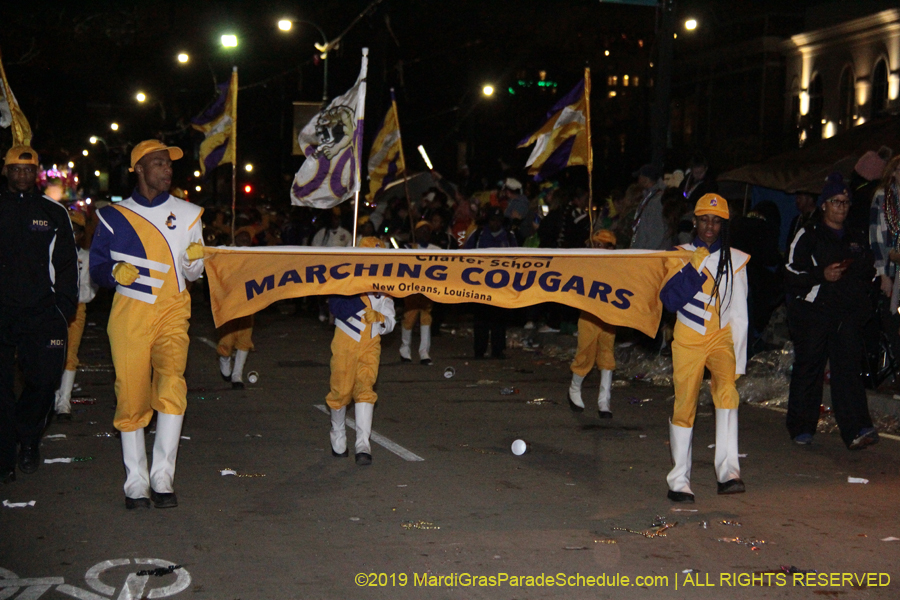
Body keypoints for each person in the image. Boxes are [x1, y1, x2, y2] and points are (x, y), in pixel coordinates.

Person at [90, 139, 205, 509]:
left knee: (173, 385)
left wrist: (193, 263)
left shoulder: (189, 214)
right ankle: (136, 480)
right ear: (138, 169)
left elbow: (195, 271)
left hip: (174, 309)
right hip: (130, 313)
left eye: (169, 164)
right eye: (158, 164)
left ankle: (162, 476)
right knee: (131, 394)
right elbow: (96, 267)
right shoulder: (113, 216)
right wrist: (113, 272)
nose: (167, 169)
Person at [660, 193, 749, 503]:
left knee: (728, 394)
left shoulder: (736, 259)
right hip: (688, 335)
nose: (710, 226)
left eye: (716, 221)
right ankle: (679, 479)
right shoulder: (680, 254)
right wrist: (692, 270)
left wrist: (740, 356)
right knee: (685, 402)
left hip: (721, 336)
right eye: (705, 219)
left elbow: (740, 311)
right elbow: (669, 301)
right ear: (695, 221)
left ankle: (728, 472)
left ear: (723, 224)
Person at [1, 145, 78, 484]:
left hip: (42, 313)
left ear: (36, 174)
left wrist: (63, 307)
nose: (22, 175)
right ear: (5, 171)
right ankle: (5, 459)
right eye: (15, 169)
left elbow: (66, 264)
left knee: (45, 382)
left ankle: (28, 438)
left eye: (28, 170)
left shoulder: (53, 213)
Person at [786, 173, 878, 450]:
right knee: (809, 367)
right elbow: (791, 271)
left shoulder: (855, 236)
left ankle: (857, 428)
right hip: (815, 310)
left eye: (846, 202)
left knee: (848, 368)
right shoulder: (810, 233)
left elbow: (868, 270)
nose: (842, 207)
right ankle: (801, 426)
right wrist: (821, 274)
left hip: (846, 313)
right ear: (824, 204)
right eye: (836, 202)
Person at [327, 236, 396, 465]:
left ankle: (363, 444)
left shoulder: (385, 286)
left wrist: (381, 318)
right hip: (345, 339)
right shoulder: (344, 278)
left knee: (366, 388)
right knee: (341, 391)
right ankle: (337, 431)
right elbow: (336, 308)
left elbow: (392, 320)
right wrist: (360, 299)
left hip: (371, 342)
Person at [567, 230, 618, 418]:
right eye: (594, 244)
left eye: (600, 244)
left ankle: (604, 401)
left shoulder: (618, 266)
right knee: (585, 352)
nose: (596, 248)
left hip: (608, 315)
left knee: (607, 354)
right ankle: (574, 388)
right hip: (589, 315)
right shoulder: (586, 262)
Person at [55, 210, 99, 420]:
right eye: (67, 230)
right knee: (51, 353)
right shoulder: (52, 253)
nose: (71, 234)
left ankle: (64, 401)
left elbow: (90, 287)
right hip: (51, 309)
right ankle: (52, 396)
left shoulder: (86, 257)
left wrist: (74, 297)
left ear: (81, 234)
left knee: (70, 353)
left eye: (75, 231)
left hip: (76, 309)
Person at [465, 207, 517, 359]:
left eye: (498, 220)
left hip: (501, 286)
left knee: (499, 319)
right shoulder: (478, 235)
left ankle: (498, 350)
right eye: (493, 220)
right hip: (480, 285)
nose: (495, 223)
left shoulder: (508, 236)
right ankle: (479, 350)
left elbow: (517, 258)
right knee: (481, 319)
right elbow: (466, 256)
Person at [217, 230, 255, 389]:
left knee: (244, 340)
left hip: (248, 303)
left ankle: (237, 375)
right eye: (241, 236)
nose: (245, 239)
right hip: (229, 303)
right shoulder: (226, 253)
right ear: (235, 238)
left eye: (247, 238)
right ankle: (224, 359)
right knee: (227, 339)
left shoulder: (256, 256)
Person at [400, 221, 439, 365]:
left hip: (428, 290)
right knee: (409, 318)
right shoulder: (408, 248)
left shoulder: (436, 249)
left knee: (426, 319)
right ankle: (405, 351)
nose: (424, 233)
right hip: (411, 289)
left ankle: (424, 352)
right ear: (415, 233)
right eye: (421, 231)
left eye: (427, 231)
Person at [630, 164, 667, 250]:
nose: (638, 180)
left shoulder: (657, 200)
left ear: (645, 179)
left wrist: (647, 254)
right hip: (643, 251)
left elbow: (656, 232)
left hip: (648, 254)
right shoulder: (648, 197)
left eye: (640, 176)